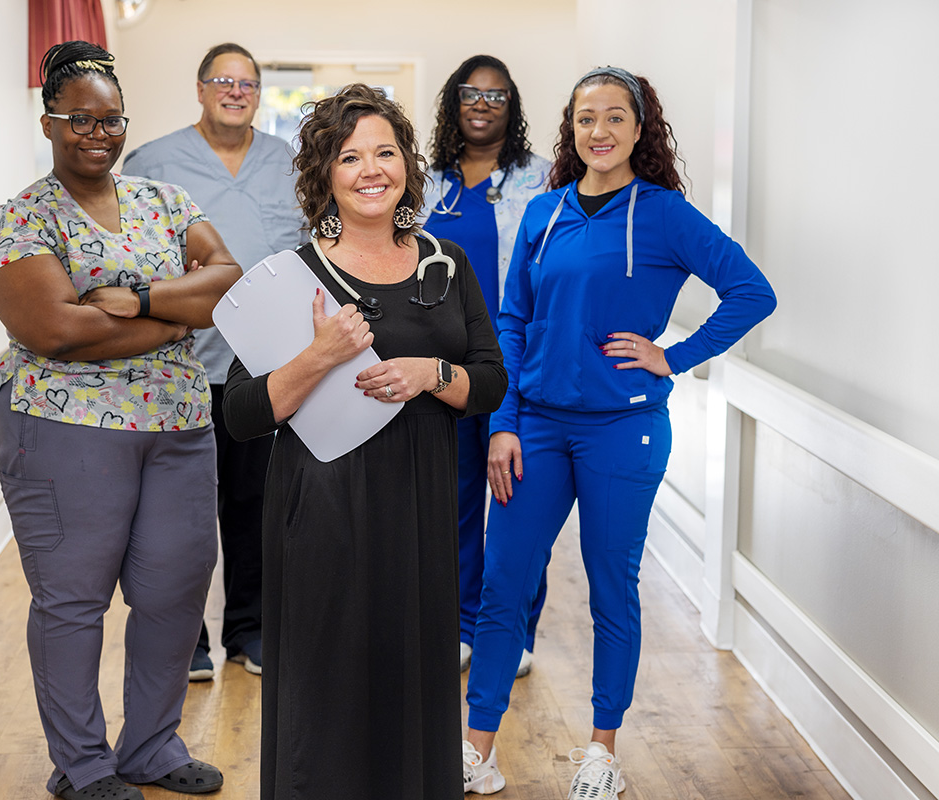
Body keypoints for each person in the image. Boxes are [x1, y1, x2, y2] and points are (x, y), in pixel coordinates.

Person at [460, 67, 776, 798]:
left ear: (640, 129)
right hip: (533, 427)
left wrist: (673, 356)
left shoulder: (664, 215)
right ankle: (478, 750)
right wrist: (502, 424)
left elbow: (751, 291)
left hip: (623, 434)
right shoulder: (544, 213)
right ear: (569, 130)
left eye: (613, 118)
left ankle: (602, 750)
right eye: (583, 120)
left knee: (612, 592)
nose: (597, 132)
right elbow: (512, 322)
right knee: (503, 588)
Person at [223, 84, 507, 799]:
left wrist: (428, 372)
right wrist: (320, 354)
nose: (370, 169)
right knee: (328, 688)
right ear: (325, 176)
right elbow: (245, 413)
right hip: (322, 512)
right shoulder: (294, 277)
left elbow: (490, 384)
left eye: (385, 152)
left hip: (418, 510)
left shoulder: (448, 265)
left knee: (409, 672)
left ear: (407, 165)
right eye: (350, 157)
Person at [0, 41, 242, 800]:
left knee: (173, 589)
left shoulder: (166, 202)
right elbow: (54, 330)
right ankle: (84, 766)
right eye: (80, 120)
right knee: (73, 597)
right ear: (49, 123)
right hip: (65, 430)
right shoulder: (24, 216)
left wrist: (137, 302)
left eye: (111, 120)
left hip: (179, 426)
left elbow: (224, 283)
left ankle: (152, 747)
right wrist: (174, 316)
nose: (98, 133)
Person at [120, 42, 303, 681]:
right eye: (223, 81)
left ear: (259, 94)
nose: (236, 91)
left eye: (248, 83)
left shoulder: (290, 163)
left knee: (256, 511)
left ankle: (249, 633)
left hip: (262, 370)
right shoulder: (154, 163)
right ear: (200, 89)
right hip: (178, 371)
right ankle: (186, 640)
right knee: (177, 518)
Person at [420, 55, 552, 680]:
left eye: (496, 96)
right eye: (470, 93)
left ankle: (513, 631)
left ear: (512, 107)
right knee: (456, 499)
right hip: (443, 367)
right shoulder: (424, 183)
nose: (482, 104)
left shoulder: (544, 181)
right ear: (453, 103)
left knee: (518, 502)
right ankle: (460, 624)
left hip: (516, 363)